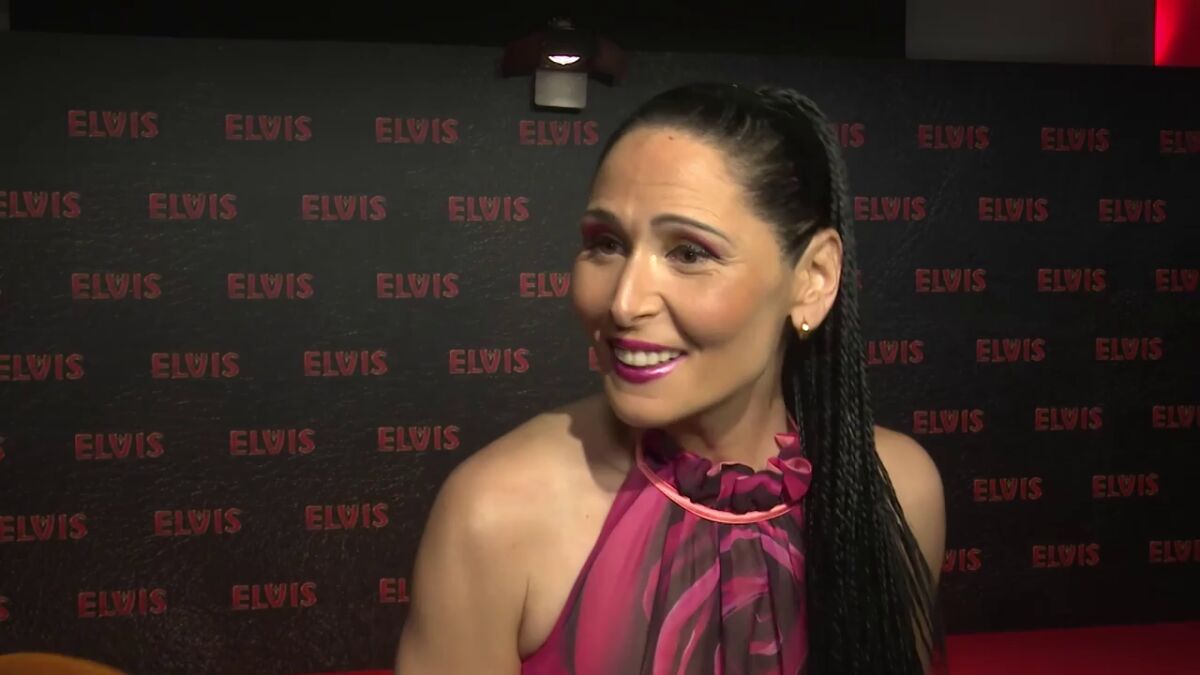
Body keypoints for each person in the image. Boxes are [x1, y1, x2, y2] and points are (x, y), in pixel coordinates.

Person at [394, 82, 948, 675]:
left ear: (812, 279)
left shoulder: (896, 491)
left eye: (689, 253)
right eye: (606, 244)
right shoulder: (495, 515)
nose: (624, 303)